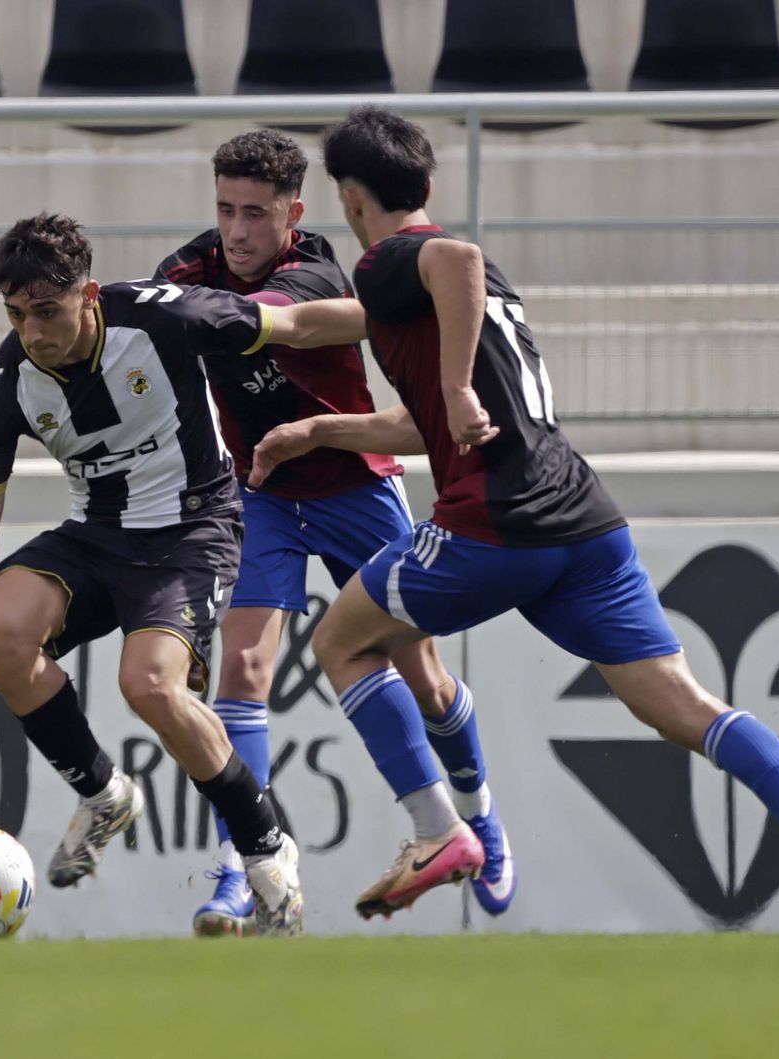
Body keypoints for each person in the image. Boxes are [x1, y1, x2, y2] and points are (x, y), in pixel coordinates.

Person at [249, 105, 779, 931]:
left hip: (494, 524)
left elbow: (456, 260)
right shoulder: (478, 295)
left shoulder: (393, 263)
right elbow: (430, 424)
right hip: (584, 522)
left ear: (351, 196)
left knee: (342, 639)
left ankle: (439, 830)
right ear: (427, 181)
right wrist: (323, 429)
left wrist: (452, 387)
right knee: (677, 704)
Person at [0, 213, 374, 935]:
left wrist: (402, 319)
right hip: (97, 533)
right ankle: (103, 792)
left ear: (90, 293)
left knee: (147, 684)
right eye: (16, 314)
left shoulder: (166, 317)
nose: (33, 332)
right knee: (3, 632)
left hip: (193, 529)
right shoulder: (4, 388)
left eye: (47, 310)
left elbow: (295, 326)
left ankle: (266, 848)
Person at [153, 130, 514, 936]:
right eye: (224, 210)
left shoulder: (320, 265)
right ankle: (246, 867)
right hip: (263, 492)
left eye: (256, 213)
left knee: (423, 674)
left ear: (295, 214)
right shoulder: (186, 270)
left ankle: (476, 813)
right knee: (243, 666)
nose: (237, 230)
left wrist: (199, 315)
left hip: (356, 480)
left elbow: (283, 320)